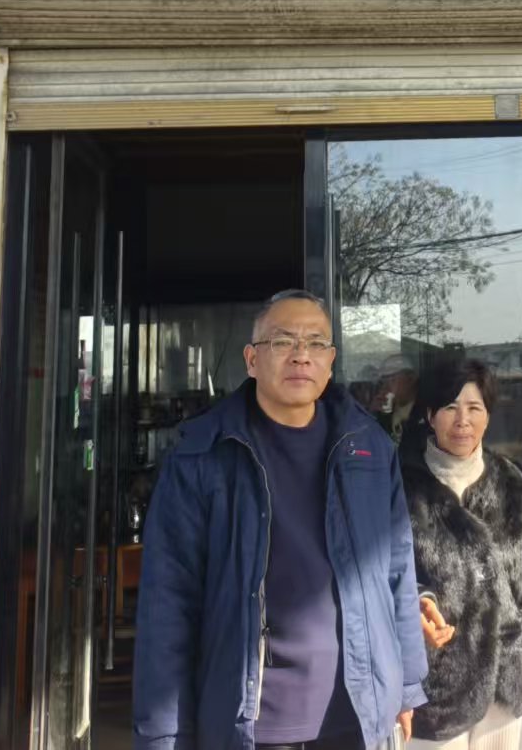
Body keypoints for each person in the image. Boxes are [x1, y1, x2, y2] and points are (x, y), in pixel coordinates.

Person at [134, 289, 429, 750]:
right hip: (253, 721)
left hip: (355, 714)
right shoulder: (202, 455)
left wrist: (406, 683)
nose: (301, 355)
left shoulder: (368, 448)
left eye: (315, 343)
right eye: (282, 341)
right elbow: (168, 602)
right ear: (252, 360)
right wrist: (163, 734)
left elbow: (396, 569)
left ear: (330, 362)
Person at [400, 359, 522, 750]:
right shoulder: (402, 486)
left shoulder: (513, 485)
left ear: (488, 416)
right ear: (430, 415)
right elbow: (385, 576)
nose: (463, 421)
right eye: (450, 407)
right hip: (436, 686)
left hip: (509, 676)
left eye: (474, 408)